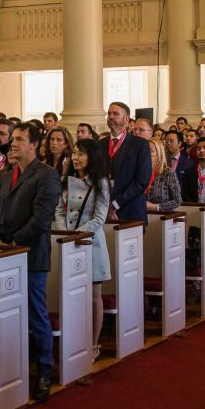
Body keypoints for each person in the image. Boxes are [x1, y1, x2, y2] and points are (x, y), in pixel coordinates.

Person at [0, 121, 62, 401]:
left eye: (20, 139)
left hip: (31, 255)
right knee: (6, 313)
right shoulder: (6, 176)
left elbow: (41, 218)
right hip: (5, 254)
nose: (13, 144)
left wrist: (14, 243)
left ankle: (44, 370)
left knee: (35, 313)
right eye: (13, 140)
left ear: (34, 144)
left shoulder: (47, 175)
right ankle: (11, 369)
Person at [56, 137, 111, 359]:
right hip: (68, 241)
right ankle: (74, 340)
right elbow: (59, 210)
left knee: (94, 295)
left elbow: (99, 217)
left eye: (81, 154)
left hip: (90, 242)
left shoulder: (101, 182)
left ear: (92, 157)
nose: (76, 158)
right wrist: (64, 233)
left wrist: (77, 234)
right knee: (71, 293)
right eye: (74, 154)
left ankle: (93, 343)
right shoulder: (66, 180)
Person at [105, 102, 152, 223]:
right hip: (103, 210)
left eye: (115, 114)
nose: (110, 116)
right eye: (109, 113)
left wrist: (115, 204)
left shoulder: (140, 144)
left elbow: (142, 180)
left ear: (126, 120)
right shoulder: (100, 144)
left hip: (131, 210)